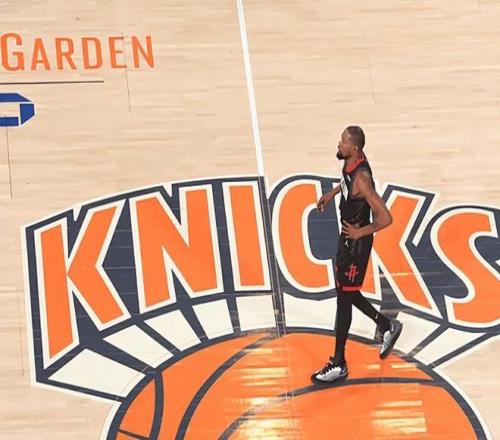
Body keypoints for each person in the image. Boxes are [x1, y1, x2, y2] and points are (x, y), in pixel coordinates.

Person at [312, 125, 403, 384]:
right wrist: (331, 194)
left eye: (343, 141)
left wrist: (359, 232)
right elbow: (346, 181)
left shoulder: (362, 178)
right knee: (345, 292)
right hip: (347, 239)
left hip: (356, 244)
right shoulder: (350, 161)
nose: (339, 144)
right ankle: (386, 325)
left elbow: (385, 218)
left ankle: (338, 363)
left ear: (354, 148)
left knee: (344, 299)